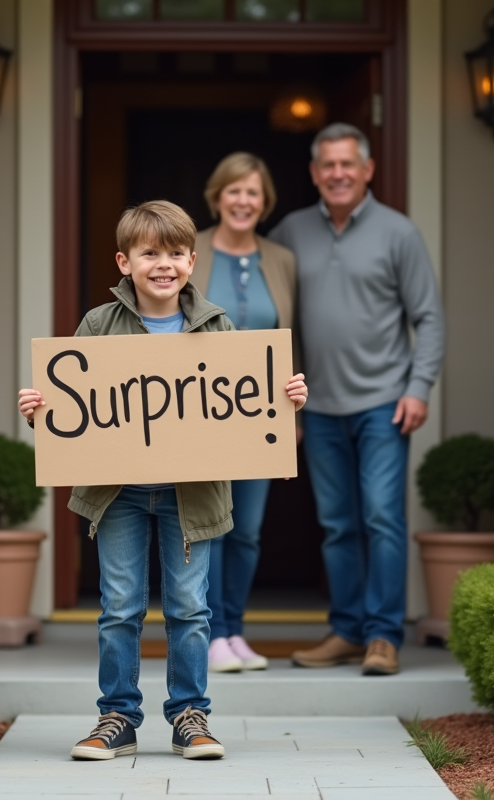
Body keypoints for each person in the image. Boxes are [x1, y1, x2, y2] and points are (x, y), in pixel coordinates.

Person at [18, 200, 308, 760]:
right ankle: (117, 719)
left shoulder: (218, 326)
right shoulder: (98, 326)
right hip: (118, 493)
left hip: (191, 496)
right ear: (125, 262)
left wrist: (286, 398)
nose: (164, 264)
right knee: (120, 607)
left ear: (192, 261)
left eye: (176, 253)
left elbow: (246, 405)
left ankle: (191, 718)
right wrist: (40, 410)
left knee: (189, 608)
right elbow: (74, 408)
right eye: (150, 253)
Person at [268, 123, 445, 677]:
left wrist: (419, 388)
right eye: (328, 165)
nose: (338, 174)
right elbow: (270, 317)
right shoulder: (291, 232)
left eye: (348, 164)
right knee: (339, 523)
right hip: (316, 408)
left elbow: (429, 317)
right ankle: (346, 630)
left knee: (381, 518)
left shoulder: (399, 233)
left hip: (383, 405)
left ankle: (383, 637)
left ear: (367, 170)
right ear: (314, 173)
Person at [188, 152, 297, 674]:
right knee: (211, 523)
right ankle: (209, 632)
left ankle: (235, 631)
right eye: (234, 190)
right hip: (201, 411)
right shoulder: (192, 251)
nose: (242, 200)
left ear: (264, 201)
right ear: (217, 196)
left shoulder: (281, 259)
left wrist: (293, 414)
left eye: (252, 192)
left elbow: (292, 339)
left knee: (248, 527)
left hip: (263, 416)